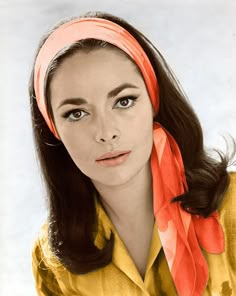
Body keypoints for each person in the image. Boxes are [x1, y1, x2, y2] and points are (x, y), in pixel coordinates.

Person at [30, 11, 236, 296]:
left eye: (124, 101)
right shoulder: (53, 257)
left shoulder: (232, 209)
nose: (106, 132)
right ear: (54, 128)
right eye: (76, 113)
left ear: (153, 101)